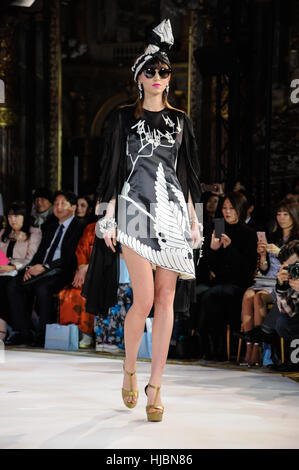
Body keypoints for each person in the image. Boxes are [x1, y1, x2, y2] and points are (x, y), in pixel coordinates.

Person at [82, 19, 202, 422]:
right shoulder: (120, 120)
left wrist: (195, 221)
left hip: (172, 212)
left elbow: (186, 176)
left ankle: (156, 387)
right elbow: (114, 173)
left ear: (170, 78)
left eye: (163, 71)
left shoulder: (181, 121)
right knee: (145, 298)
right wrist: (107, 219)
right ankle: (129, 367)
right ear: (138, 76)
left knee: (166, 300)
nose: (156, 77)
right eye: (149, 70)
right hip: (134, 209)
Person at [5, 190, 85, 347]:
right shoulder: (50, 225)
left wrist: (46, 267)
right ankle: (24, 332)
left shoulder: (79, 227)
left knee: (43, 288)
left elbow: (70, 257)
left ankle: (43, 335)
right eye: (56, 204)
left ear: (73, 207)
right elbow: (41, 252)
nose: (58, 207)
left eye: (63, 204)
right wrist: (29, 268)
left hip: (62, 270)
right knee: (14, 285)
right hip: (42, 269)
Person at [197, 191, 258, 360]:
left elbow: (246, 269)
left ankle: (218, 348)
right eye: (224, 208)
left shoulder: (248, 233)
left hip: (238, 283)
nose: (227, 211)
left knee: (213, 296)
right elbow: (210, 264)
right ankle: (202, 345)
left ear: (240, 209)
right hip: (218, 282)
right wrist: (214, 250)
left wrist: (230, 249)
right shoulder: (216, 228)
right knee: (198, 294)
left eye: (231, 208)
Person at [240, 200, 299, 366]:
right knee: (248, 294)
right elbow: (264, 268)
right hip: (265, 279)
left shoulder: (296, 239)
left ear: (293, 216)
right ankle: (251, 345)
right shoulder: (273, 236)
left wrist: (279, 252)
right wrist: (263, 256)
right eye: (279, 214)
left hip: (282, 282)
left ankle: (264, 347)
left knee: (259, 297)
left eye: (285, 214)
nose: (281, 218)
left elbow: (293, 265)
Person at [0, 201, 42, 341]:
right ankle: (5, 328)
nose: (13, 219)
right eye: (10, 216)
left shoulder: (33, 232)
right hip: (2, 270)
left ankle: (21, 330)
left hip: (22, 271)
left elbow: (31, 257)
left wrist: (13, 267)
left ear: (24, 217)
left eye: (17, 216)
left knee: (12, 286)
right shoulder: (3, 233)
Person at [58, 222, 96, 348]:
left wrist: (88, 268)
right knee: (69, 293)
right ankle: (71, 331)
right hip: (85, 272)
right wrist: (81, 267)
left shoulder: (119, 227)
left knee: (86, 294)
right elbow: (81, 249)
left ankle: (86, 333)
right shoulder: (90, 227)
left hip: (103, 272)